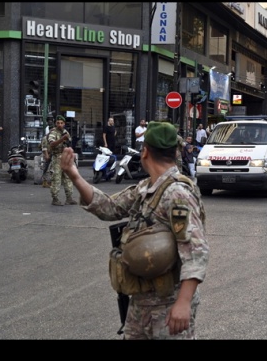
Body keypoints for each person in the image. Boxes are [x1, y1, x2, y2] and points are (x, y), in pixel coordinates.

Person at [59, 121, 210, 339]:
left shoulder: (177, 193)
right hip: (141, 302)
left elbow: (196, 251)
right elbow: (110, 208)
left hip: (168, 304)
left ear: (145, 151)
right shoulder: (146, 187)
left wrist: (184, 303)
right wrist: (74, 175)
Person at [48, 115, 77, 206]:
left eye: (61, 123)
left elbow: (69, 143)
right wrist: (62, 139)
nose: (60, 125)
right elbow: (52, 144)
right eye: (58, 123)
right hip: (57, 157)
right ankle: (55, 199)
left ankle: (69, 198)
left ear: (64, 124)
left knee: (68, 178)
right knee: (56, 178)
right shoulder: (53, 132)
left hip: (66, 157)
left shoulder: (65, 132)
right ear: (55, 123)